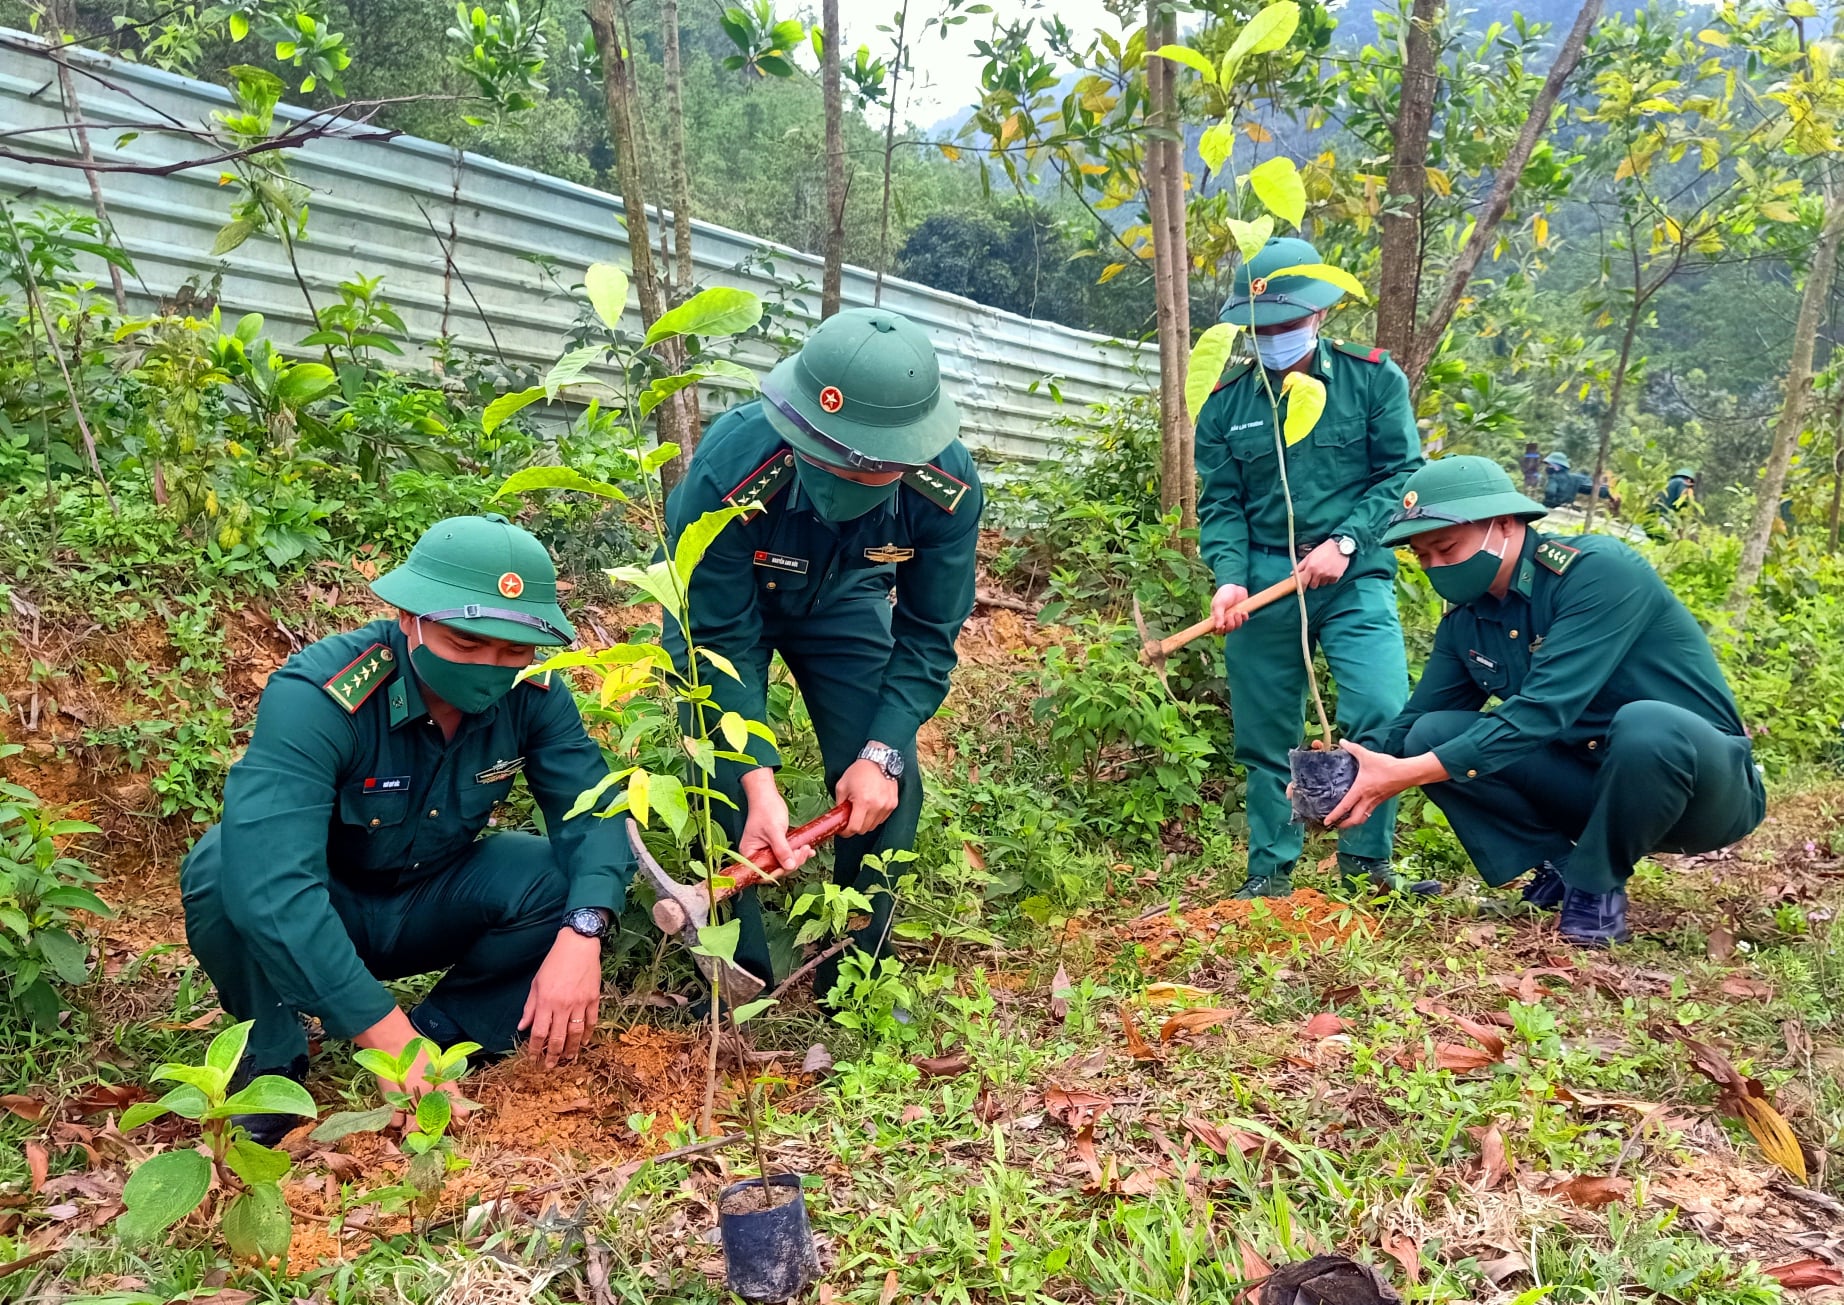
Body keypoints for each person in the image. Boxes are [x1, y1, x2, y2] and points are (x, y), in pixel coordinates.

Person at [181, 515, 632, 1142]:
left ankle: (445, 1038)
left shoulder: (533, 693)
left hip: (430, 899)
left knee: (563, 879)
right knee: (222, 864)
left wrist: (584, 932)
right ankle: (274, 1058)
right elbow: (274, 884)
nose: (490, 666)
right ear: (407, 618)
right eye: (465, 644)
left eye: (513, 650)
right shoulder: (319, 695)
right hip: (324, 908)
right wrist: (379, 1028)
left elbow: (593, 811)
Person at [660, 307, 982, 995]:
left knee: (889, 784)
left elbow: (928, 631)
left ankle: (856, 977)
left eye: (863, 470)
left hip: (842, 597)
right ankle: (730, 977)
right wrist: (758, 782)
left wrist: (883, 752)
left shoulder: (944, 489)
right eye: (822, 453)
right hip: (733, 597)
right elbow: (716, 635)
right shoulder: (732, 465)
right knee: (722, 770)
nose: (838, 476)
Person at [1317, 457, 1766, 946]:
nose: (1435, 567)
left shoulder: (1597, 573)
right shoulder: (1466, 621)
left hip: (1702, 792)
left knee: (1647, 725)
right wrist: (1338, 774)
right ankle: (1566, 869)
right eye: (1423, 557)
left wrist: (1409, 773)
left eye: (1446, 547)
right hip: (1589, 784)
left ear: (1505, 524)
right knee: (1434, 734)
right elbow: (1415, 721)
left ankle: (1597, 891)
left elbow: (1543, 710)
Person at [1195, 236, 1433, 900]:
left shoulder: (1372, 379)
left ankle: (1366, 866)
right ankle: (1270, 872)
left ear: (1319, 316)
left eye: (1287, 324)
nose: (1273, 337)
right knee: (1266, 731)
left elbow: (1400, 477)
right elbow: (1221, 503)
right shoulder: (1227, 404)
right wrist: (1229, 576)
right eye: (1260, 327)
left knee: (1380, 706)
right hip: (1266, 584)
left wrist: (1349, 543)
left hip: (1354, 576)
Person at [1541, 452, 1619, 514]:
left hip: (1552, 509)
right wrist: (1610, 494)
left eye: (1549, 465)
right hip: (1568, 509)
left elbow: (1550, 492)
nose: (1547, 467)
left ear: (1556, 466)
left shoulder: (1554, 478)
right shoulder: (1575, 479)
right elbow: (1592, 488)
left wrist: (1547, 503)